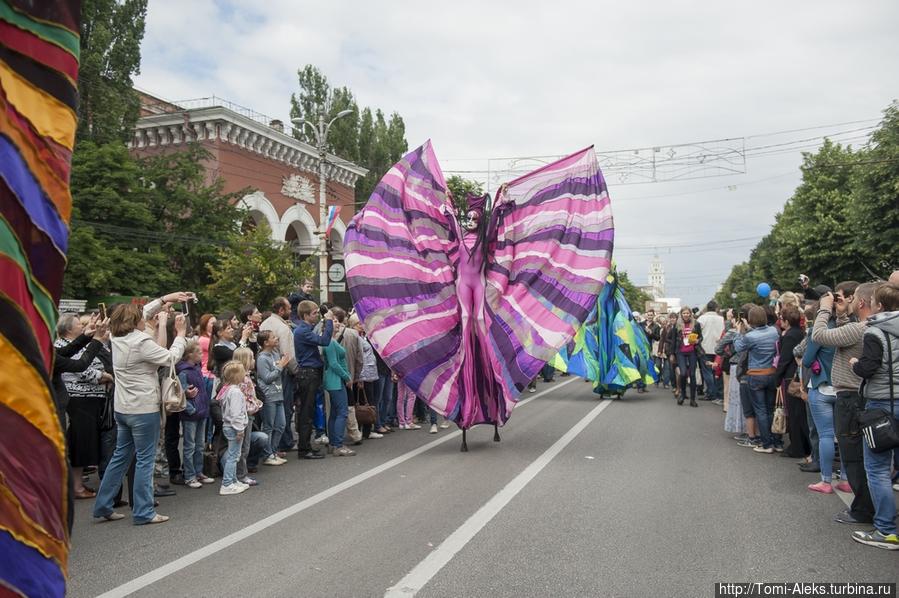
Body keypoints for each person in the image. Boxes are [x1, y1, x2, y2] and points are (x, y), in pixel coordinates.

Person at [92, 292, 192, 524]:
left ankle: (103, 505)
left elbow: (143, 312)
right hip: (143, 408)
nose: (144, 317)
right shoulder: (141, 341)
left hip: (123, 406)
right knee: (145, 460)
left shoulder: (117, 337)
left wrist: (166, 299)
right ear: (133, 321)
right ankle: (144, 511)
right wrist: (181, 335)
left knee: (121, 456)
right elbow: (169, 358)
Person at [811, 281, 877, 525]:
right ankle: (869, 506)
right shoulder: (865, 327)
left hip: (851, 396)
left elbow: (819, 336)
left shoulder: (862, 328)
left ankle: (863, 509)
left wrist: (824, 309)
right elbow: (843, 341)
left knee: (853, 455)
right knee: (865, 457)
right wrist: (840, 316)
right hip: (855, 394)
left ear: (860, 302)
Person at [848, 283, 899, 550]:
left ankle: (886, 530)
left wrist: (856, 364)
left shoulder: (875, 333)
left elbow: (869, 368)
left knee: (878, 469)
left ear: (878, 305)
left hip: (881, 404)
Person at [55, 314, 110, 499]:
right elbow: (80, 366)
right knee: (74, 445)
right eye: (80, 324)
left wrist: (87, 335)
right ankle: (70, 488)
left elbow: (70, 350)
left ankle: (69, 487)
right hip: (73, 401)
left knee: (76, 444)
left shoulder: (56, 349)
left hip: (79, 400)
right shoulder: (52, 348)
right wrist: (98, 340)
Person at [734, 306, 781, 453]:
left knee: (760, 410)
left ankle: (766, 444)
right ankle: (776, 441)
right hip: (772, 374)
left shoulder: (750, 336)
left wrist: (738, 331)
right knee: (769, 409)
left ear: (750, 319)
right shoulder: (774, 331)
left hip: (755, 375)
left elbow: (738, 347)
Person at [294, 300, 334, 459]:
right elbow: (324, 341)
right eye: (314, 313)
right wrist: (329, 321)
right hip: (308, 373)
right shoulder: (302, 331)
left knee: (309, 411)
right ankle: (303, 449)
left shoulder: (306, 329)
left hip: (311, 372)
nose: (317, 315)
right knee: (306, 412)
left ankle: (306, 446)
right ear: (305, 315)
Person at [260, 297, 298, 452]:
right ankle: (283, 442)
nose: (290, 311)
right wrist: (296, 371)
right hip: (282, 371)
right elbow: (288, 354)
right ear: (281, 310)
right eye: (288, 308)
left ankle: (274, 446)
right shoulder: (283, 329)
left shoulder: (264, 324)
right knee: (284, 408)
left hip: (266, 368)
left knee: (271, 412)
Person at [175, 341, 214, 489]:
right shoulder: (184, 372)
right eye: (198, 352)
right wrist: (191, 409)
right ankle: (189, 475)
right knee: (189, 445)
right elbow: (181, 393)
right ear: (190, 355)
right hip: (191, 413)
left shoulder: (197, 369)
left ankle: (198, 471)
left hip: (201, 411)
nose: (201, 355)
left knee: (199, 445)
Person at [775, 305, 811, 459]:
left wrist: (777, 378)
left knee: (795, 416)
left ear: (787, 321)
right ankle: (803, 446)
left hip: (791, 377)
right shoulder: (800, 333)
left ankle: (797, 447)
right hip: (798, 376)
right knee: (800, 414)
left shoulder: (789, 336)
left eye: (782, 319)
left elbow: (784, 359)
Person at [256, 330, 289, 466]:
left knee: (281, 425)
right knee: (268, 426)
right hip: (269, 395)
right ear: (265, 342)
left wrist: (283, 365)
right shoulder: (262, 358)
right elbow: (267, 378)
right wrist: (280, 366)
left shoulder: (275, 353)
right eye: (273, 337)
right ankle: (267, 454)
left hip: (279, 393)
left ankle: (274, 451)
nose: (276, 339)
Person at [323, 318, 355, 456]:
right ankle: (338, 445)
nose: (337, 323)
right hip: (335, 380)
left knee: (335, 413)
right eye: (334, 321)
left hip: (334, 380)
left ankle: (333, 443)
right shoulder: (329, 342)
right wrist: (347, 377)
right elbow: (334, 363)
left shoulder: (330, 340)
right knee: (342, 412)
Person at [218, 361, 250, 495]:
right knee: (233, 456)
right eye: (243, 371)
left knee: (234, 454)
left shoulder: (228, 389)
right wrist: (240, 429)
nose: (245, 373)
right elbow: (236, 413)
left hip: (229, 426)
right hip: (234, 427)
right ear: (236, 375)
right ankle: (227, 484)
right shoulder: (235, 392)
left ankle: (233, 479)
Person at [674, 306, 703, 407]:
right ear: (681, 314)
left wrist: (697, 340)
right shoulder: (677, 325)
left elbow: (700, 337)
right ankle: (682, 394)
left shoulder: (696, 324)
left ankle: (693, 399)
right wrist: (672, 354)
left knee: (692, 374)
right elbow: (674, 340)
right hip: (681, 352)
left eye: (688, 313)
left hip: (692, 351)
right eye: (684, 313)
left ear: (691, 314)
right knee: (682, 373)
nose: (686, 315)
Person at [697, 301, 725, 403]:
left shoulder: (701, 318)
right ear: (716, 308)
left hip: (705, 348)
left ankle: (711, 393)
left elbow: (696, 332)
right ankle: (718, 393)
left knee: (707, 372)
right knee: (717, 371)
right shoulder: (721, 319)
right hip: (719, 348)